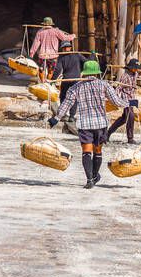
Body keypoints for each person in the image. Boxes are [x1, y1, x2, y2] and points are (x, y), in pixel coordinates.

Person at [49, 60, 128, 189]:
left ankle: (89, 179)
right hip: (100, 124)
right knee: (98, 151)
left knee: (86, 152)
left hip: (84, 124)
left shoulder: (75, 88)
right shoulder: (104, 85)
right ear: (97, 73)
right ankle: (95, 175)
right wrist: (131, 103)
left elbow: (66, 105)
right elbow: (116, 101)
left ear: (84, 73)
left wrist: (56, 118)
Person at [53, 41, 86, 135]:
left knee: (64, 97)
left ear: (69, 48)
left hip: (68, 79)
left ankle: (66, 114)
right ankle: (70, 115)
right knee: (71, 97)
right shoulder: (77, 55)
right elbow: (87, 62)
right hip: (74, 79)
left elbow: (58, 69)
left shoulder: (63, 57)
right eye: (65, 48)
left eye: (66, 47)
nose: (66, 49)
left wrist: (53, 80)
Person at [107, 58, 140, 144]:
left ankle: (108, 132)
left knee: (124, 119)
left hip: (132, 98)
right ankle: (130, 138)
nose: (136, 69)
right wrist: (116, 99)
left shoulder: (135, 73)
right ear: (130, 67)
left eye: (137, 68)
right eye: (135, 67)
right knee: (131, 116)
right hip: (125, 99)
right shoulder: (125, 76)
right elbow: (118, 88)